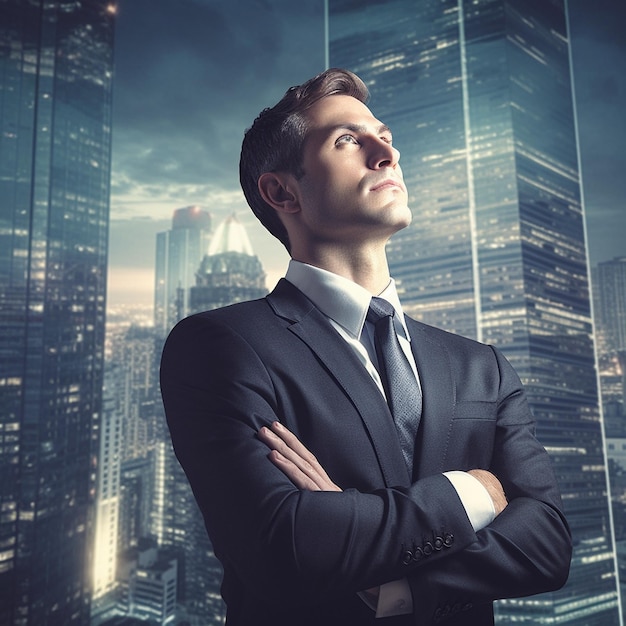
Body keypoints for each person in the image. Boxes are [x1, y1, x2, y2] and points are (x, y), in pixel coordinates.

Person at [160, 68, 571, 625]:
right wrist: (472, 493)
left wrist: (389, 576)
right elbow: (285, 545)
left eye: (385, 136)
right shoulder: (221, 346)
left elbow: (547, 544)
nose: (386, 153)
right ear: (282, 191)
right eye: (348, 140)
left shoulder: (481, 367)